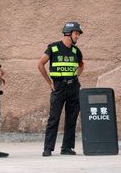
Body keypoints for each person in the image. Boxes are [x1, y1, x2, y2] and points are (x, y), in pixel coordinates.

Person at [38, 22, 84, 157]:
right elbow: (40, 64)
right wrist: (49, 83)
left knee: (72, 118)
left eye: (78, 34)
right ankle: (48, 148)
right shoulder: (53, 48)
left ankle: (67, 147)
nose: (78, 37)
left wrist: (75, 77)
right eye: (76, 34)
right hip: (58, 87)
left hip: (73, 87)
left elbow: (81, 66)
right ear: (68, 33)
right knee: (54, 118)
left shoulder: (76, 51)